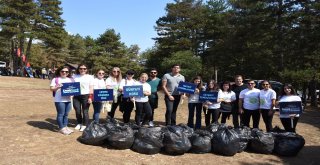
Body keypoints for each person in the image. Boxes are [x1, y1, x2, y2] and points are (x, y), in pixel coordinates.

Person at [50, 66, 74, 135]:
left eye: (66, 72)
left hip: (68, 100)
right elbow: (51, 89)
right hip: (59, 100)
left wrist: (72, 94)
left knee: (66, 114)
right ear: (59, 71)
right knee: (61, 114)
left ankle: (65, 126)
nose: (64, 73)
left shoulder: (70, 80)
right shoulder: (56, 79)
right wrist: (57, 87)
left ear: (68, 72)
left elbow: (73, 89)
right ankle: (61, 128)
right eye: (62, 71)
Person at [72, 64, 94, 132]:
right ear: (78, 69)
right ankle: (79, 123)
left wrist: (90, 97)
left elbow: (91, 87)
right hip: (76, 96)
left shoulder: (90, 77)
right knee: (77, 111)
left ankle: (85, 125)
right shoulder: (74, 76)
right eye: (81, 68)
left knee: (85, 111)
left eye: (84, 68)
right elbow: (71, 86)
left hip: (86, 95)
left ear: (86, 69)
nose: (82, 70)